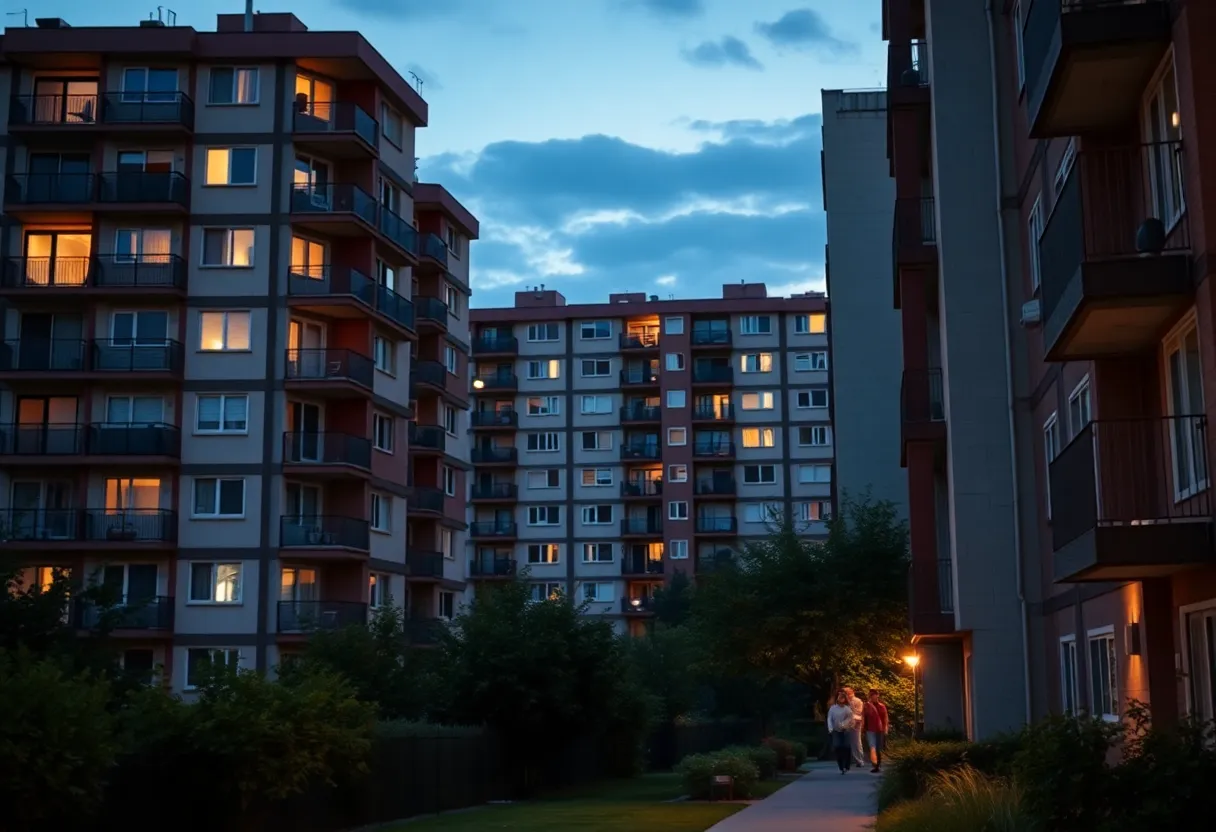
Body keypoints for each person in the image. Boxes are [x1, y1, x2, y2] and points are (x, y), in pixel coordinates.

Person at [827, 689, 856, 774]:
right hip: (836, 730)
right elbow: (829, 719)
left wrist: (845, 725)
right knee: (837, 747)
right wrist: (830, 729)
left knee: (846, 747)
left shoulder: (847, 709)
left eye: (843, 698)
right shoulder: (833, 709)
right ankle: (841, 766)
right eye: (840, 698)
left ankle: (847, 765)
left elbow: (851, 718)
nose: (841, 699)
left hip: (845, 730)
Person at [863, 688, 890, 773]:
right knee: (872, 747)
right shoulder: (867, 706)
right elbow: (864, 716)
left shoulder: (882, 706)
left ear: (877, 695)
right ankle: (875, 765)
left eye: (874, 695)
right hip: (870, 729)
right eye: (871, 695)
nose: (873, 697)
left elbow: (885, 718)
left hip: (879, 729)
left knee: (878, 748)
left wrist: (886, 728)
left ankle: (878, 764)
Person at [844, 686, 866, 769]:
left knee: (856, 742)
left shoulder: (857, 701)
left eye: (846, 692)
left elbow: (859, 712)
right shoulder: (845, 701)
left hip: (856, 722)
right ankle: (853, 760)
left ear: (850, 692)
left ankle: (860, 760)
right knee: (848, 742)